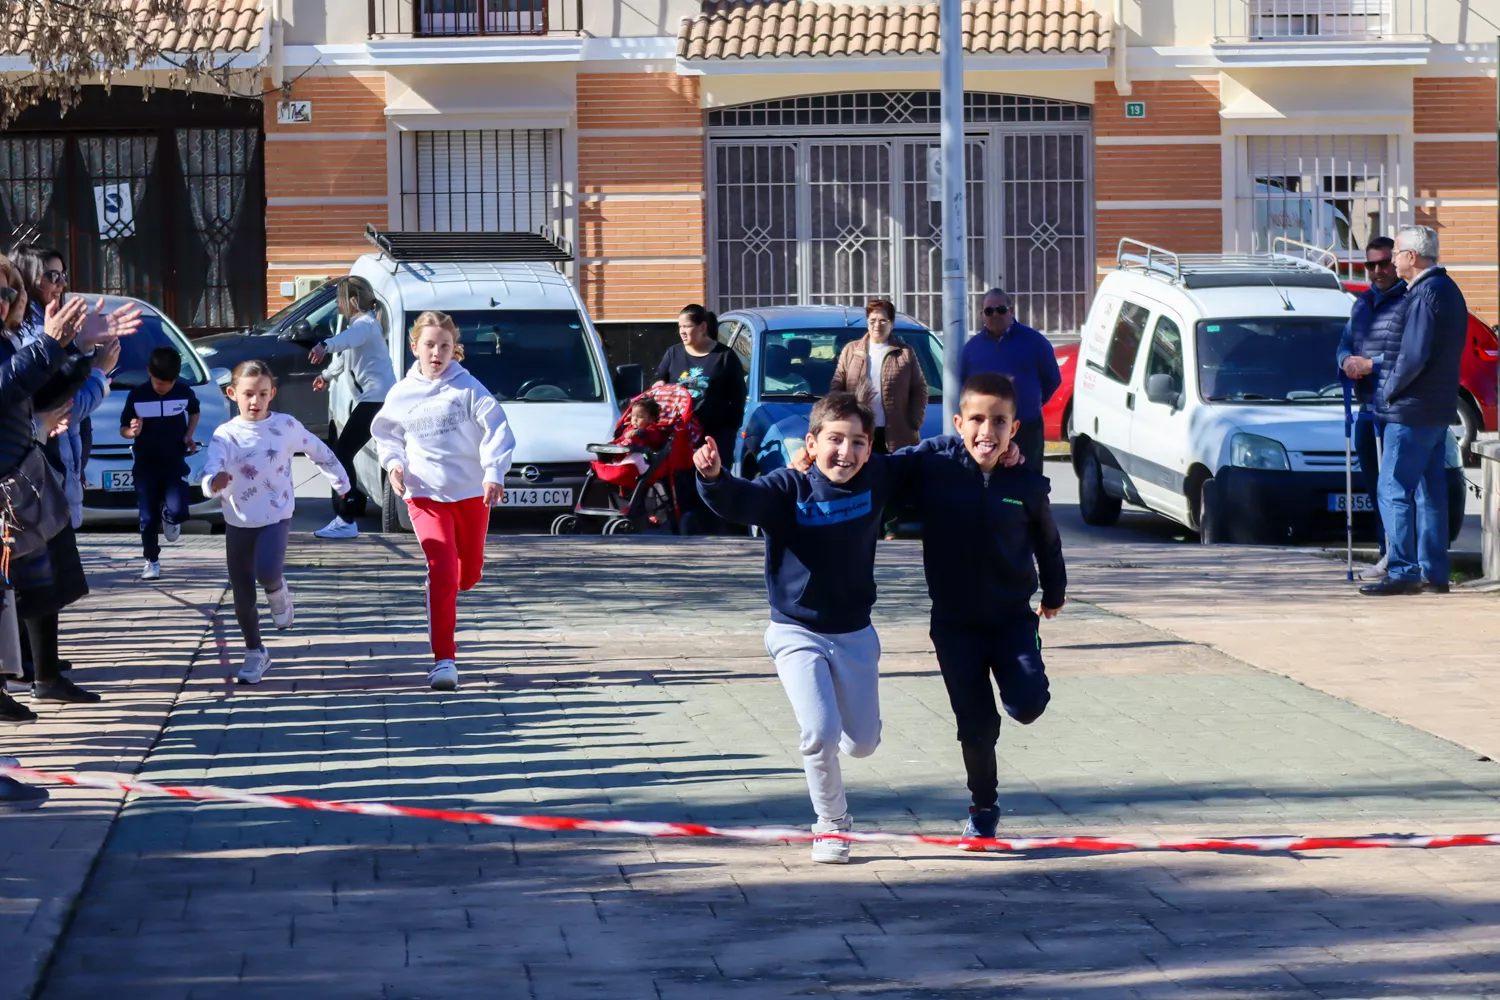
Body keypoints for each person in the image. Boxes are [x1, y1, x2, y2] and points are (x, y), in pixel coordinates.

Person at [695, 389, 908, 865]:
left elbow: (928, 459)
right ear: (810, 443)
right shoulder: (786, 488)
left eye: (858, 442)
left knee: (863, 743)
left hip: (854, 632)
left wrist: (987, 448)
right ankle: (831, 825)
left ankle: (855, 734)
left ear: (870, 448)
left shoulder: (877, 477)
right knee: (819, 731)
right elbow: (741, 501)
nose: (846, 452)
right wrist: (712, 476)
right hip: (795, 631)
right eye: (835, 440)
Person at [895, 373, 1065, 845]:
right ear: (957, 422)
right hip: (954, 625)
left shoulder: (1025, 483)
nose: (986, 431)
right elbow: (883, 471)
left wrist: (1054, 591)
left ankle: (1026, 685)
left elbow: (1047, 543)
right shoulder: (936, 468)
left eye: (999, 421)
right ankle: (984, 806)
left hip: (1012, 618)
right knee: (976, 723)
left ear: (1015, 428)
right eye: (976, 420)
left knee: (1027, 705)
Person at [0, 261, 123, 717]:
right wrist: (54, 343)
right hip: (6, 487)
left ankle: (46, 678)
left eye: (10, 294)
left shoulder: (10, 341)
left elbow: (42, 390)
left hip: (22, 480)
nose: (5, 302)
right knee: (9, 595)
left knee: (41, 586)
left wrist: (81, 352)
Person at [372, 311, 514, 691]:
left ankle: (444, 588)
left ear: (456, 350)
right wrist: (394, 464)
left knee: (468, 575)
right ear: (414, 346)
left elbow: (497, 429)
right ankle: (444, 661)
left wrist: (493, 473)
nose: (436, 353)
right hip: (424, 495)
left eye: (445, 346)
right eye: (429, 345)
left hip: (470, 493)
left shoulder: (468, 388)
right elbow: (386, 433)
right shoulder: (402, 392)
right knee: (444, 572)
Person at [202, 360, 351, 685]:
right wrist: (213, 482)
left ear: (273, 394)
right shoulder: (225, 434)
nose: (255, 401)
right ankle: (256, 652)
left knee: (268, 570)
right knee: (242, 596)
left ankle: (277, 589)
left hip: (275, 516)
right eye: (248, 394)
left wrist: (340, 480)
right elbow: (209, 467)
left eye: (262, 394)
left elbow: (318, 450)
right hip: (238, 520)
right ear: (232, 394)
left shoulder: (285, 426)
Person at [1360, 226, 1467, 597]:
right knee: (1430, 493)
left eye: (1398, 253)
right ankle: (1435, 572)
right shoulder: (1447, 290)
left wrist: (1388, 392)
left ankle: (1404, 570)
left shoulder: (1425, 294)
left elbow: (1413, 355)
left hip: (1410, 410)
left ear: (1413, 257)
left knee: (1392, 489)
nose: (1392, 259)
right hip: (1436, 410)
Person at [1335, 237, 1406, 581]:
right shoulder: (1361, 304)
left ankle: (1401, 557)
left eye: (1384, 264)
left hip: (1392, 407)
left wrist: (1371, 364)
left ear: (1397, 263)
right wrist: (1346, 359)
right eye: (1371, 265)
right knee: (1375, 486)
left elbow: (1407, 356)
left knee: (1394, 488)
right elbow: (1345, 343)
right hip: (1364, 407)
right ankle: (1384, 553)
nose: (1378, 271)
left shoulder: (1407, 302)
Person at [829, 298, 929, 539]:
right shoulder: (852, 351)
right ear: (867, 322)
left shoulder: (904, 353)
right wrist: (840, 415)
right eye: (872, 320)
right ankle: (864, 528)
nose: (877, 325)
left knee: (892, 479)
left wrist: (913, 421)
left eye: (883, 320)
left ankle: (891, 530)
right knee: (861, 477)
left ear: (892, 323)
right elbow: (837, 383)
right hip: (860, 431)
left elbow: (920, 388)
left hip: (894, 431)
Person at [310, 276, 396, 541]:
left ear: (353, 301)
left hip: (376, 401)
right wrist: (325, 376)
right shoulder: (364, 326)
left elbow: (346, 340)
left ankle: (346, 518)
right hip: (375, 400)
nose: (337, 304)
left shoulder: (366, 325)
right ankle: (347, 513)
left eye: (339, 299)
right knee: (347, 454)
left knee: (341, 454)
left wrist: (324, 345)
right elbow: (344, 358)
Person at [654, 305, 746, 530]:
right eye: (680, 328)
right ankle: (686, 524)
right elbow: (659, 381)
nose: (683, 332)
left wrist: (730, 430)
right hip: (681, 434)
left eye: (687, 326)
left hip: (715, 435)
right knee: (682, 483)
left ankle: (717, 527)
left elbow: (738, 397)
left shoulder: (724, 357)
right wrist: (658, 387)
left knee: (713, 482)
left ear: (703, 326)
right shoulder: (673, 353)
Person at [120, 347, 200, 581]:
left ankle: (170, 515)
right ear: (148, 372)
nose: (163, 388)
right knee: (147, 517)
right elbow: (123, 428)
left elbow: (194, 411)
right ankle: (151, 561)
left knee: (179, 511)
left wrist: (189, 434)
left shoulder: (184, 392)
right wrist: (131, 431)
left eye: (168, 383)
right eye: (158, 383)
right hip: (146, 464)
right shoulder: (137, 395)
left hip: (174, 461)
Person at [959, 288, 1061, 471]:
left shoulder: (1035, 342)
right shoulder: (971, 349)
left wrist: (1030, 403)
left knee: (1028, 485)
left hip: (1026, 428)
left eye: (1001, 309)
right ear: (982, 314)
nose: (995, 315)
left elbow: (1052, 379)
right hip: (986, 431)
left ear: (1011, 311)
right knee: (989, 485)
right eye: (989, 311)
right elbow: (963, 387)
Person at [610, 397, 669, 475]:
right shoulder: (630, 428)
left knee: (633, 445)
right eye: (633, 416)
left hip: (647, 460)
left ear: (651, 419)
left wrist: (641, 432)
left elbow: (655, 437)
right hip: (628, 456)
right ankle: (615, 458)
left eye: (640, 417)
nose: (635, 419)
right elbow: (622, 438)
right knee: (617, 446)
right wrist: (612, 444)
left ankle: (619, 460)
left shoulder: (652, 429)